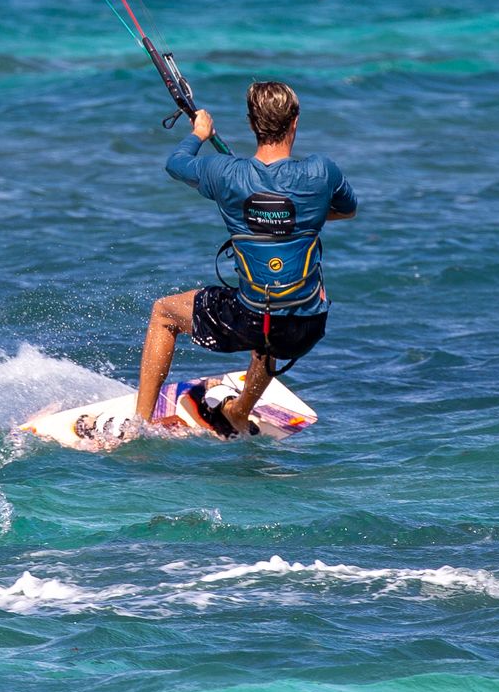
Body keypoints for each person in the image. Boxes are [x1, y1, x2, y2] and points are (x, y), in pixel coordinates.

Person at [135, 79, 356, 437]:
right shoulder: (322, 172)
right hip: (307, 325)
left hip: (252, 318)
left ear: (252, 123)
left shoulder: (226, 174)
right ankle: (238, 412)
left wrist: (200, 133)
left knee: (164, 313)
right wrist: (302, 215)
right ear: (295, 120)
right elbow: (348, 210)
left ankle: (140, 424)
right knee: (276, 310)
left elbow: (176, 164)